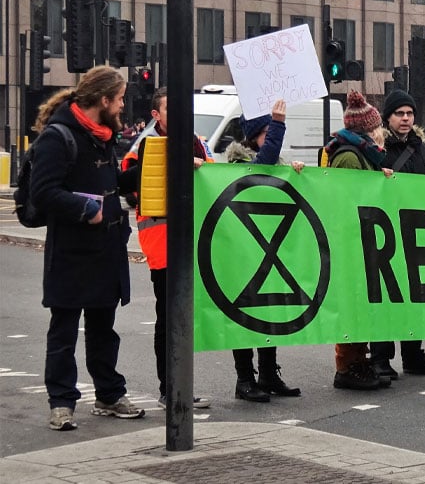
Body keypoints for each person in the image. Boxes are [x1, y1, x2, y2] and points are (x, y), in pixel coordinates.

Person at [30, 66, 145, 431]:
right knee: (63, 330)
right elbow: (43, 192)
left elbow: (112, 181)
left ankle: (109, 395)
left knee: (103, 329)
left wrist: (149, 169)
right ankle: (61, 403)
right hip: (71, 250)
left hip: (106, 248)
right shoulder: (59, 137)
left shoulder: (104, 135)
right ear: (104, 99)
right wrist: (86, 209)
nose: (123, 105)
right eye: (121, 98)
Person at [119, 87, 213, 410]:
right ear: (156, 116)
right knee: (168, 316)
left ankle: (180, 385)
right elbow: (129, 184)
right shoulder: (145, 145)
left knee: (183, 315)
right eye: (171, 109)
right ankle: (168, 388)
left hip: (192, 240)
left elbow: (215, 179)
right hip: (161, 243)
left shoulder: (198, 141)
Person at [227, 100, 306, 402]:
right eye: (266, 132)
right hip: (243, 250)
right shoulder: (237, 165)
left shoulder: (275, 163)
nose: (271, 137)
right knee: (244, 315)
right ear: (253, 136)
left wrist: (295, 173)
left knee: (269, 311)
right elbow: (262, 168)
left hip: (270, 251)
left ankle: (269, 373)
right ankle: (245, 378)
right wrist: (279, 123)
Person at [369, 90, 425, 379]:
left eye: (409, 113)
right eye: (399, 114)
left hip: (416, 228)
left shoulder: (422, 146)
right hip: (385, 229)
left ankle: (413, 353)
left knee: (417, 293)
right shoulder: (376, 146)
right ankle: (380, 357)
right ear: (388, 117)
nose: (405, 119)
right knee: (387, 295)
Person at [324, 91, 394, 391]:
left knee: (361, 302)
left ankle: (358, 359)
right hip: (352, 240)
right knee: (352, 303)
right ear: (368, 129)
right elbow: (345, 199)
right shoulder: (350, 156)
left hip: (361, 238)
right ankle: (348, 365)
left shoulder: (361, 154)